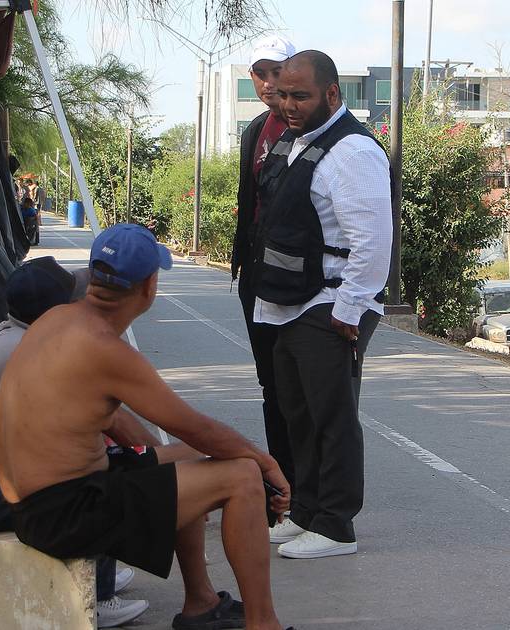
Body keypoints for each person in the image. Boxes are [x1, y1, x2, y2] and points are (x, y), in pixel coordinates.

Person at [0, 224, 291, 630]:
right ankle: (264, 623)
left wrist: (171, 468)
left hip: (35, 502)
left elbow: (187, 442)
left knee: (192, 461)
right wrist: (264, 463)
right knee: (240, 475)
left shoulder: (56, 319)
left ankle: (200, 603)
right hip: (62, 512)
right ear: (149, 287)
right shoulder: (106, 349)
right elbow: (196, 427)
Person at [0, 257, 156, 628]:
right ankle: (97, 596)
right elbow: (113, 423)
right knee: (98, 479)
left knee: (92, 458)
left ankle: (96, 568)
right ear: (57, 311)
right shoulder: (38, 352)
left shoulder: (14, 336)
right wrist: (163, 466)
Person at [250, 50, 392, 559]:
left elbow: (373, 241)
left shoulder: (352, 151)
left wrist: (349, 310)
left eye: (300, 95)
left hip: (330, 303)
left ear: (333, 94)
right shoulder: (295, 140)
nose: (288, 104)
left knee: (331, 416)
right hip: (292, 302)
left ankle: (334, 525)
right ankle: (305, 512)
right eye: (283, 94)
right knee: (298, 414)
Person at [230, 34, 297, 539]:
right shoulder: (256, 129)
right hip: (256, 276)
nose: (270, 83)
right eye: (261, 72)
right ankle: (282, 492)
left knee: (304, 393)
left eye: (277, 71)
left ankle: (310, 500)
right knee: (272, 389)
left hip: (301, 285)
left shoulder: (311, 129)